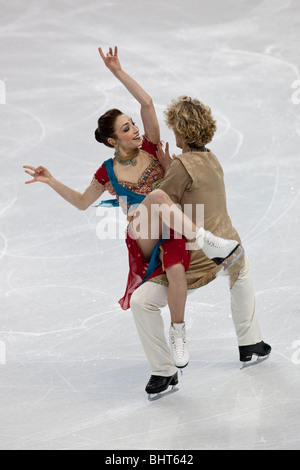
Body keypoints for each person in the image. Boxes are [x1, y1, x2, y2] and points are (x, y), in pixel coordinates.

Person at [23, 47, 242, 373]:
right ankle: (207, 242)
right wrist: (51, 180)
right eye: (126, 129)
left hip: (171, 229)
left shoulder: (152, 147)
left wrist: (118, 72)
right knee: (153, 199)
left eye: (133, 124)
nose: (136, 130)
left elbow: (148, 104)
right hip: (143, 237)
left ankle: (178, 332)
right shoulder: (106, 173)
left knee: (177, 267)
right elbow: (84, 202)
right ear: (113, 141)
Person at [130, 95, 272, 399]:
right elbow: (188, 199)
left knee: (142, 302)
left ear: (181, 131)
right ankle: (251, 343)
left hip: (194, 260)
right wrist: (172, 169)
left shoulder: (181, 166)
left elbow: (161, 206)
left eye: (175, 129)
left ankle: (164, 371)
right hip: (228, 248)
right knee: (241, 271)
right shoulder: (212, 159)